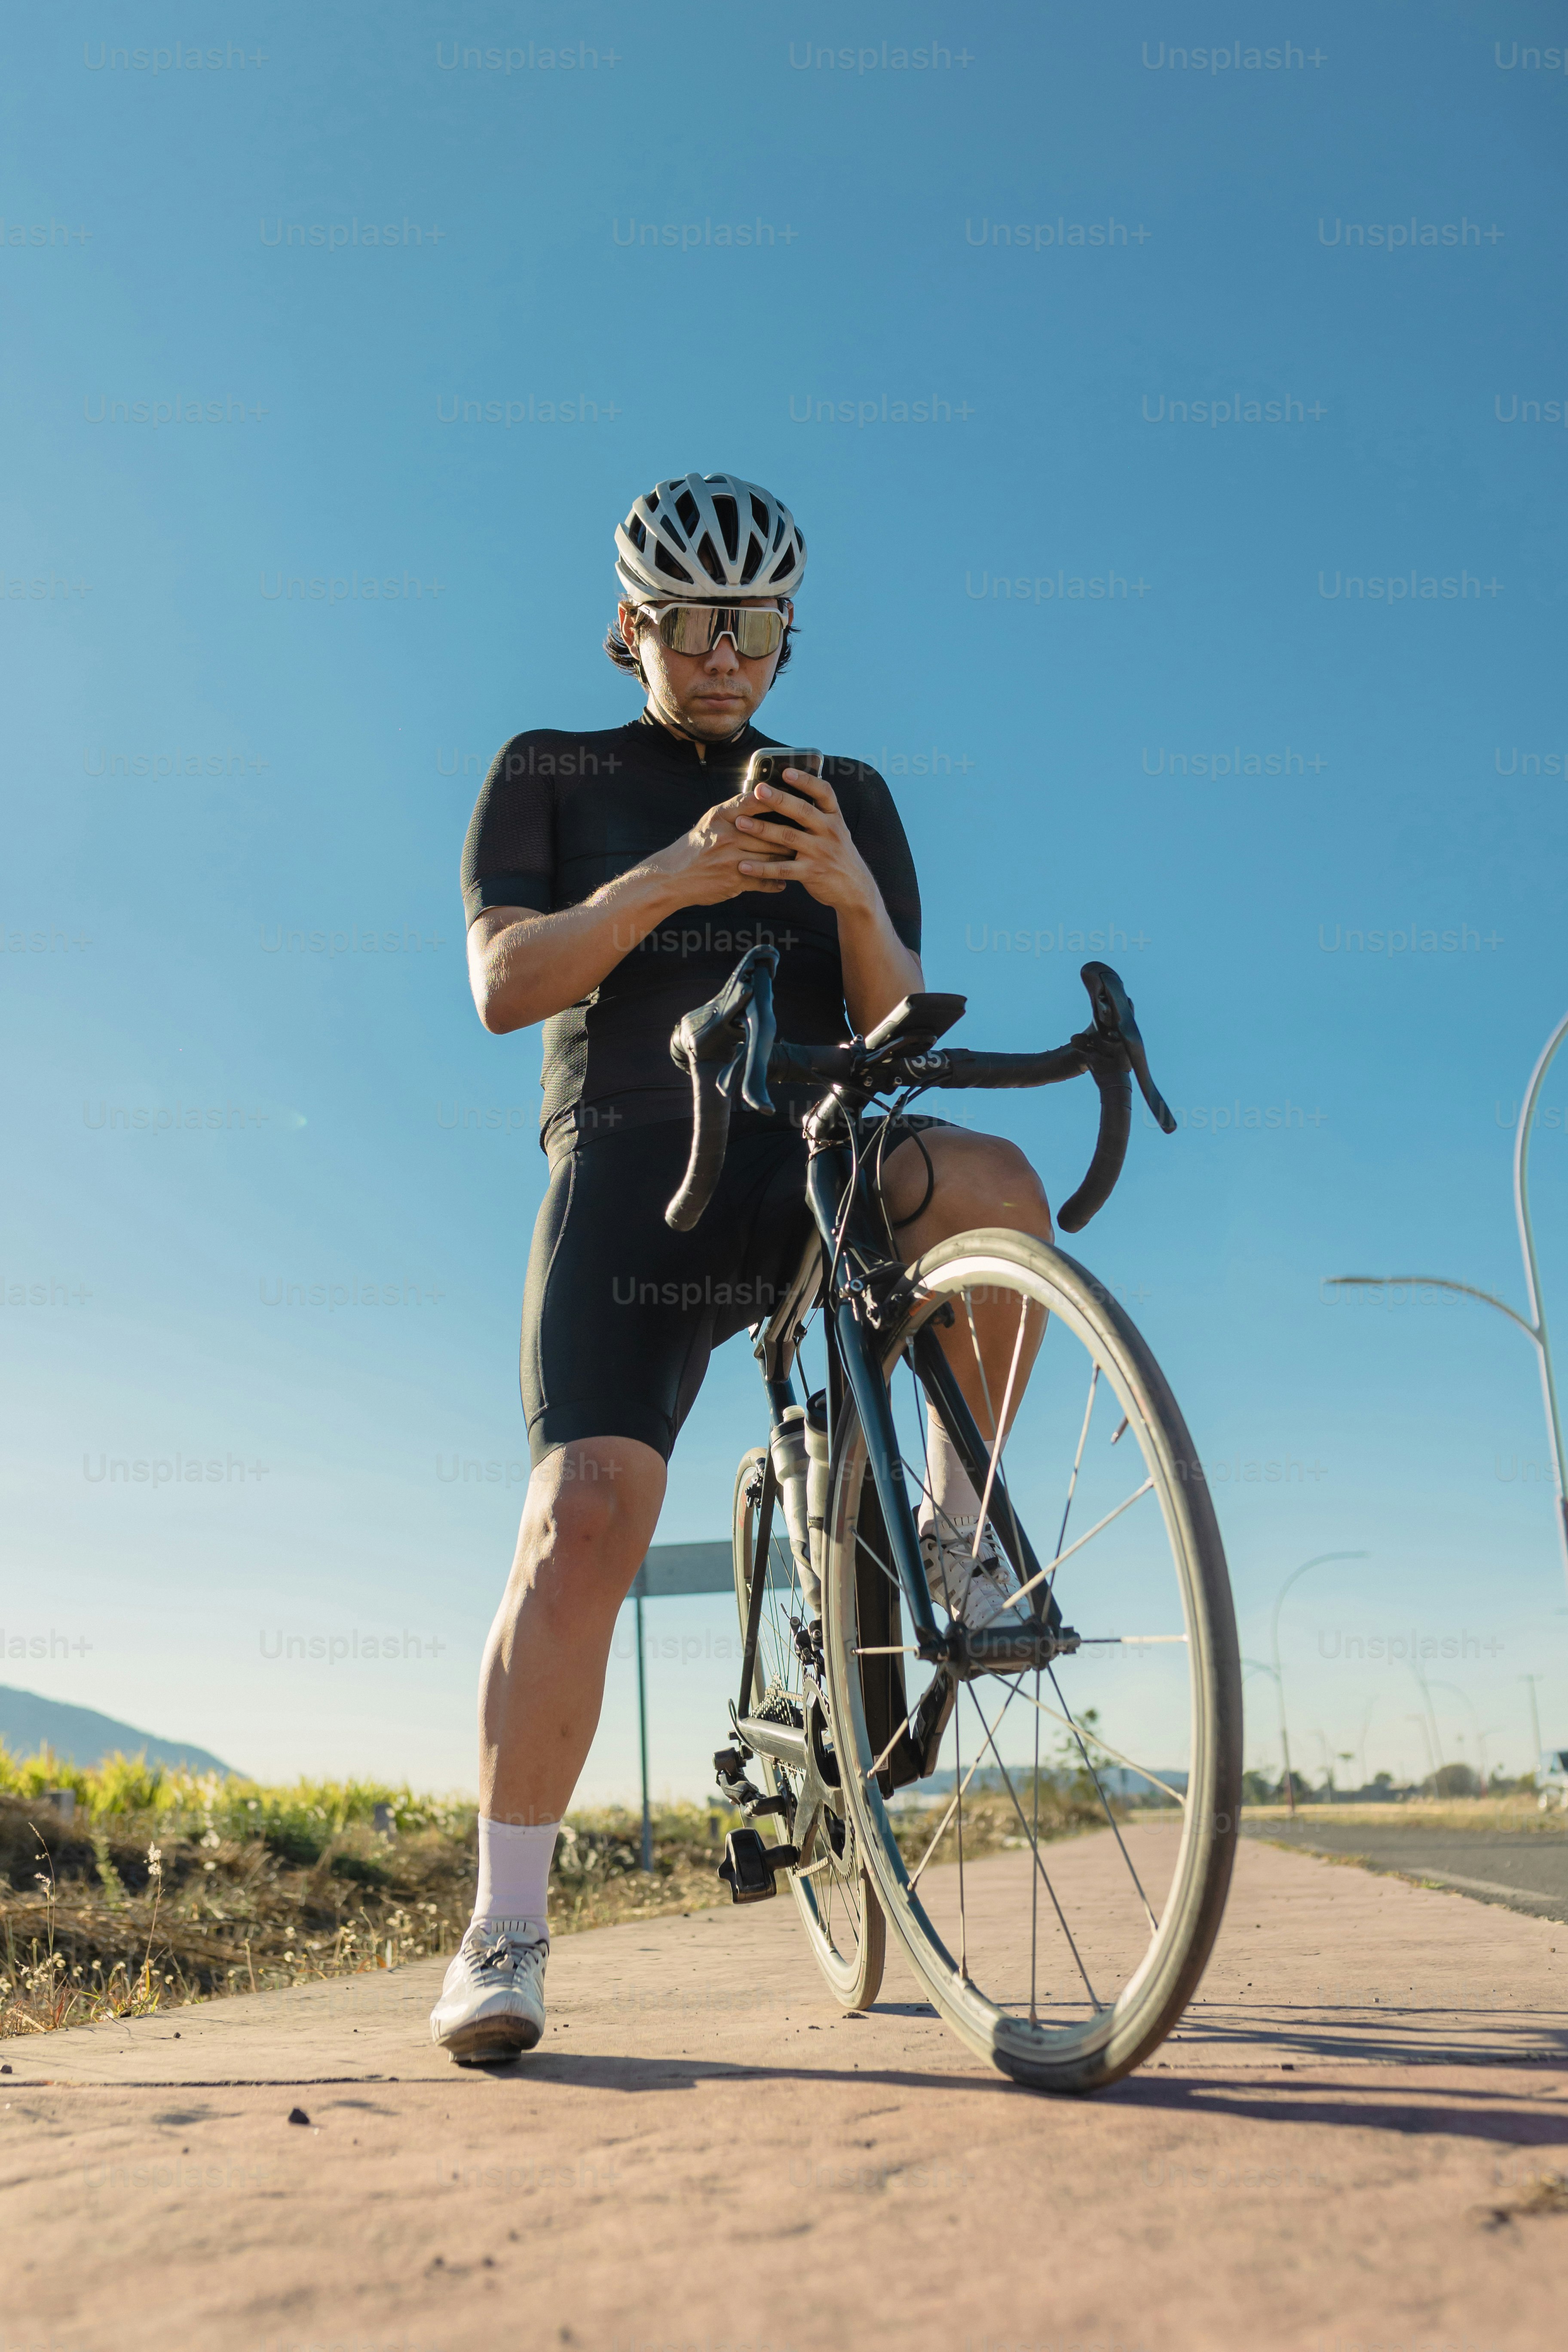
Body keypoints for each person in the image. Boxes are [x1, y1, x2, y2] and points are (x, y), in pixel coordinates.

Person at [430, 472, 1054, 2063]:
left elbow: (896, 1016)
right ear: (630, 627)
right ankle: (505, 1928)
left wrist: (845, 889)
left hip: (814, 1153)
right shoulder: (550, 768)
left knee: (998, 1181)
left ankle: (956, 1527)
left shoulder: (847, 788)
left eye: (757, 628)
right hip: (635, 1170)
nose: (726, 656)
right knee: (585, 1517)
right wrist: (676, 876)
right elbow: (504, 983)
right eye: (695, 625)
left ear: (787, 637)